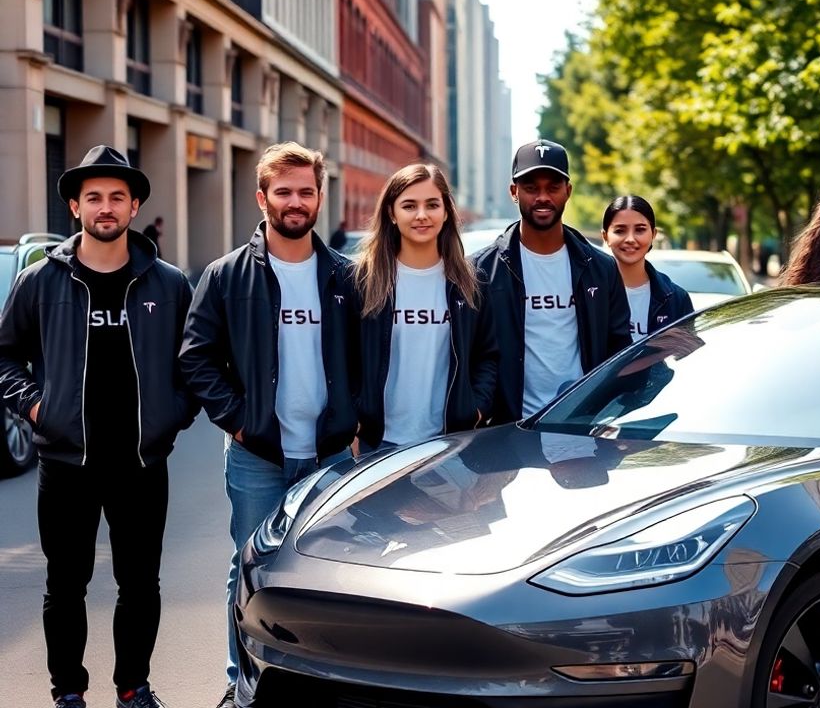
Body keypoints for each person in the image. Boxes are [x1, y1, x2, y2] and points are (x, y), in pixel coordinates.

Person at [0, 146, 197, 708]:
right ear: (75, 206)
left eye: (116, 197)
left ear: (134, 206)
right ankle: (68, 692)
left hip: (140, 465)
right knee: (65, 588)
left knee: (140, 587)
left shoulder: (168, 284)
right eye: (94, 198)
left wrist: (171, 417)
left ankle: (133, 687)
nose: (105, 208)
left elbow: (197, 363)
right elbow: (5, 357)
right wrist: (38, 408)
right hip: (66, 466)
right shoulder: (40, 282)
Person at [179, 142, 359, 708]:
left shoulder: (345, 276)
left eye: (306, 191)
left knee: (329, 574)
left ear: (320, 197)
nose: (295, 201)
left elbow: (365, 356)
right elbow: (195, 357)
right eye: (283, 191)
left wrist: (353, 421)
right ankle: (244, 681)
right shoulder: (227, 275)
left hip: (331, 454)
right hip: (258, 453)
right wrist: (237, 421)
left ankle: (321, 681)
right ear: (262, 198)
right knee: (251, 570)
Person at [471, 138, 632, 424]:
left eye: (553, 187)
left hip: (582, 427)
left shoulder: (601, 269)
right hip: (506, 431)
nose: (542, 197)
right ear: (514, 192)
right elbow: (473, 356)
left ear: (568, 191)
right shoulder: (481, 270)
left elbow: (618, 350)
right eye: (531, 188)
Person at [353, 163, 499, 451]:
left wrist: (475, 410)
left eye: (432, 205)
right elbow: (342, 359)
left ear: (446, 212)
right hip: (378, 444)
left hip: (449, 444)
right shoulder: (363, 281)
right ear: (392, 214)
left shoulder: (470, 282)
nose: (422, 215)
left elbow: (488, 356)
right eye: (409, 206)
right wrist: (354, 425)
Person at [600, 195, 694, 341]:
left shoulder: (676, 298)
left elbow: (686, 356)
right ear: (605, 236)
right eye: (620, 231)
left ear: (653, 234)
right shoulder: (588, 293)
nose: (630, 239)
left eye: (640, 230)